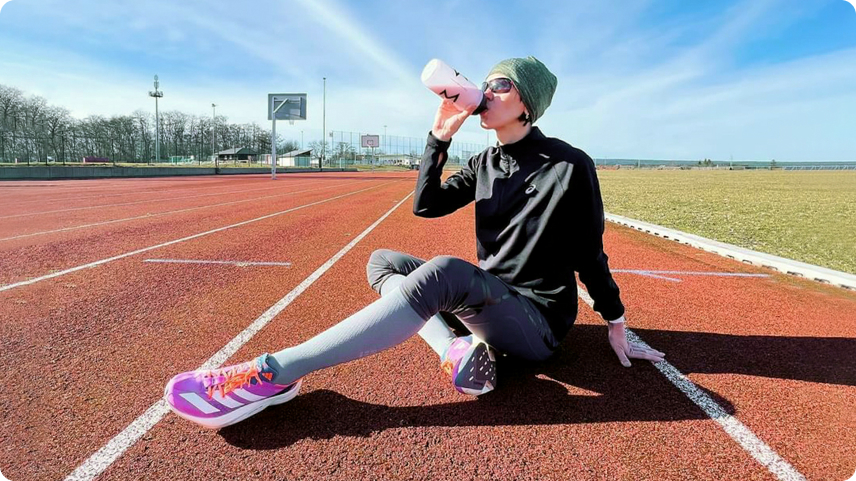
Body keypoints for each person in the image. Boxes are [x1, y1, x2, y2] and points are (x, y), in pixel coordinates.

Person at [164, 56, 665, 429]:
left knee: (446, 271)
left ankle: (273, 373)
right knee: (383, 261)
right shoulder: (485, 163)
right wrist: (439, 138)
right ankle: (454, 351)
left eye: (500, 85)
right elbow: (427, 206)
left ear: (527, 102)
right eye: (484, 83)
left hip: (538, 324)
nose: (485, 92)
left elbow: (588, 251)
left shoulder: (569, 163)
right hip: (491, 300)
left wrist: (616, 321)